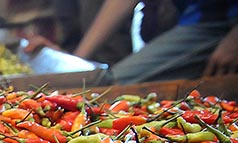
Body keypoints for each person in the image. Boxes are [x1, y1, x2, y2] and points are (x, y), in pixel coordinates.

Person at [75, 0, 238, 83]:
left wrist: (234, 39)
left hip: (220, 20)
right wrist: (76, 60)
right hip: (196, 17)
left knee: (116, 84)